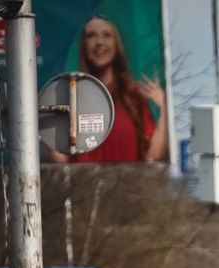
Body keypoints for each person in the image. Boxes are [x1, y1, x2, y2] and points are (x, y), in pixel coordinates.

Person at [47, 15, 168, 163]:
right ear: (83, 46)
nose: (99, 42)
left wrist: (164, 108)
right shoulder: (69, 99)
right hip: (84, 179)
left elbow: (152, 157)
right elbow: (61, 162)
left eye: (107, 35)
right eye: (91, 35)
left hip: (131, 179)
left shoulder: (133, 97)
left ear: (116, 45)